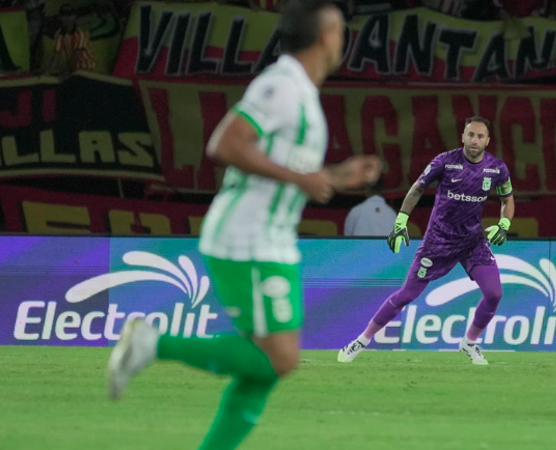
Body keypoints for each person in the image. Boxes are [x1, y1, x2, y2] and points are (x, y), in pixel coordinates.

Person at [105, 2, 382, 450]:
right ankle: (152, 344)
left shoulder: (302, 92)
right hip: (247, 238)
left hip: (271, 240)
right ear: (327, 34)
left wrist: (334, 175)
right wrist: (301, 178)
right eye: (341, 29)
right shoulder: (282, 86)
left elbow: (282, 167)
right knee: (281, 358)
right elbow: (226, 142)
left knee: (265, 367)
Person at [336, 116, 516, 365]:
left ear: (487, 141)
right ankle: (362, 340)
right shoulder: (445, 162)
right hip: (438, 241)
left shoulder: (497, 168)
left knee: (494, 293)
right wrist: (400, 222)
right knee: (406, 295)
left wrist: (504, 224)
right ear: (462, 137)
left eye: (480, 136)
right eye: (471, 135)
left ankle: (469, 342)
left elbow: (508, 198)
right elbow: (417, 188)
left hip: (472, 240)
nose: (475, 140)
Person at [44, 5, 96, 74]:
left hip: (87, 68)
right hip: (73, 69)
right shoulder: (59, 34)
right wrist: (48, 71)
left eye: (69, 15)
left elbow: (76, 55)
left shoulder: (79, 34)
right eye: (64, 15)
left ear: (74, 17)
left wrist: (67, 71)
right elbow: (56, 55)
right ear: (60, 17)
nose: (67, 18)